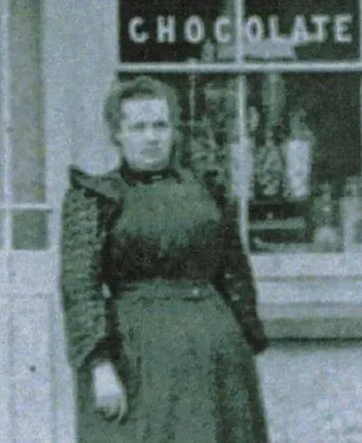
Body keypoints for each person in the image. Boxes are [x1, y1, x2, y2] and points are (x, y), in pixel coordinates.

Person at [60, 76, 270, 443]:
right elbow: (81, 287)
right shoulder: (97, 198)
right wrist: (100, 366)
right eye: (138, 127)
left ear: (174, 131)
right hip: (138, 354)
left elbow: (233, 268)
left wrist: (242, 340)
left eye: (160, 125)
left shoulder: (206, 191)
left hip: (215, 353)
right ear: (117, 135)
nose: (151, 137)